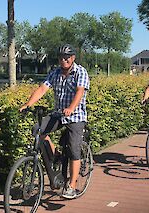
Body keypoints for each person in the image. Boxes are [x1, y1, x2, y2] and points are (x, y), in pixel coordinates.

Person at [19, 44, 90, 199]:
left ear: (73, 58)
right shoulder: (55, 73)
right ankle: (55, 154)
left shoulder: (81, 72)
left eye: (67, 57)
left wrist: (71, 108)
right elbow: (42, 89)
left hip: (76, 116)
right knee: (38, 129)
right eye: (61, 58)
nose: (64, 60)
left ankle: (71, 185)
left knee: (73, 149)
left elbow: (80, 92)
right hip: (59, 114)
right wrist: (27, 104)